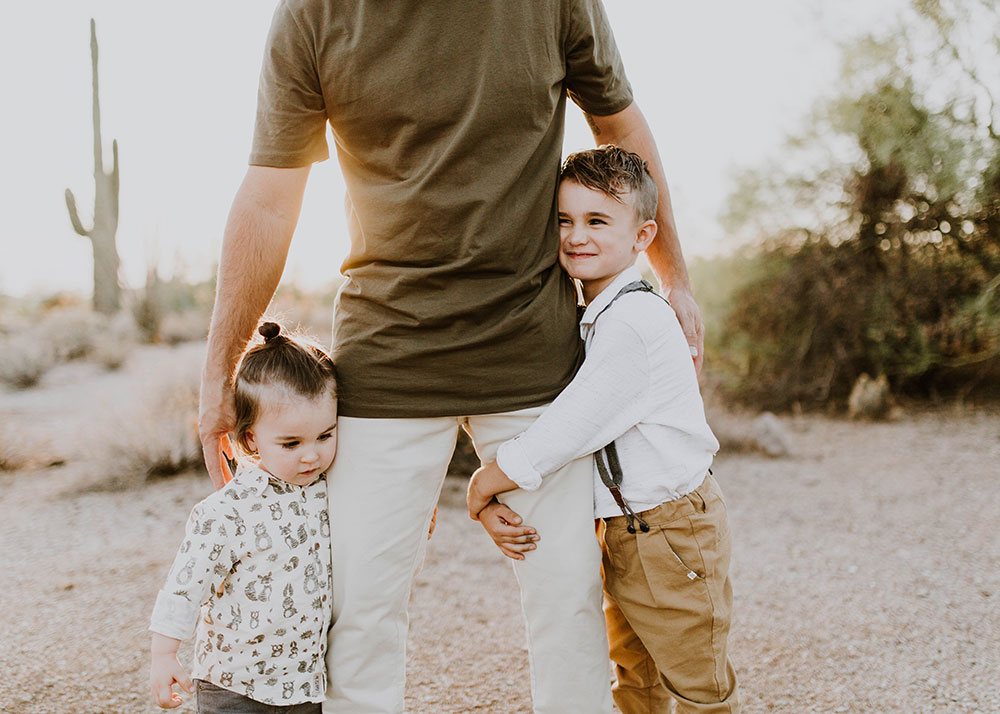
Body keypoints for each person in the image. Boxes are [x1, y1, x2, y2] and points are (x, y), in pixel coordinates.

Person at [197, 2, 706, 712]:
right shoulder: (313, 14)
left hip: (533, 354)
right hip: (387, 360)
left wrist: (675, 276)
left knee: (567, 603)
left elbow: (619, 127)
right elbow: (271, 198)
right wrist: (219, 369)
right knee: (360, 616)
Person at [467, 146, 741, 714]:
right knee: (634, 675)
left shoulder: (635, 321)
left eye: (597, 221)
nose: (576, 236)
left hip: (671, 529)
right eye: (564, 220)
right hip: (625, 528)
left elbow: (570, 427)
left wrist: (485, 482)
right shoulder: (595, 311)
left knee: (697, 687)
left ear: (643, 236)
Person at [150, 322, 338, 712]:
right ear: (250, 438)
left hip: (304, 684)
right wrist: (164, 654)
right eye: (291, 443)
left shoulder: (330, 490)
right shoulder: (227, 511)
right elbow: (185, 586)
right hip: (234, 684)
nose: (311, 455)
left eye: (325, 435)